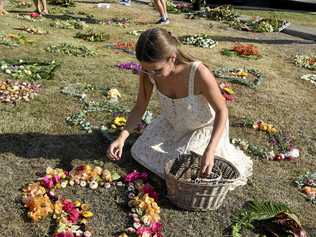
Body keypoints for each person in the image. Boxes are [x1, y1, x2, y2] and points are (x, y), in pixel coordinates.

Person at [107, 28, 252, 188]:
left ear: (172, 58)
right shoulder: (148, 72)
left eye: (157, 70)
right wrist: (122, 137)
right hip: (173, 124)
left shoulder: (198, 73)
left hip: (203, 128)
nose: (152, 75)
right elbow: (140, 106)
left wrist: (211, 149)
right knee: (139, 150)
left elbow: (222, 111)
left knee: (182, 165)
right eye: (147, 70)